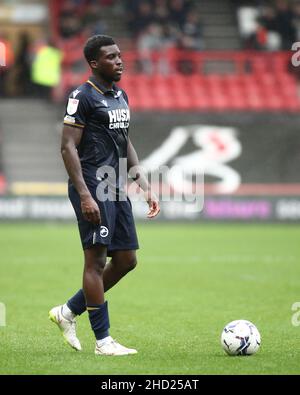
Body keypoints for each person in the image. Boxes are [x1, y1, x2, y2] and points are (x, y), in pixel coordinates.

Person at [49, 35, 160, 356]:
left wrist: (143, 181)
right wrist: (84, 195)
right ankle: (103, 342)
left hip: (116, 186)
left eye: (120, 55)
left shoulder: (120, 95)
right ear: (95, 63)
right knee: (96, 262)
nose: (119, 61)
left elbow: (125, 141)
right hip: (93, 187)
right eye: (111, 57)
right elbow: (67, 146)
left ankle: (67, 312)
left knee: (126, 260)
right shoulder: (81, 97)